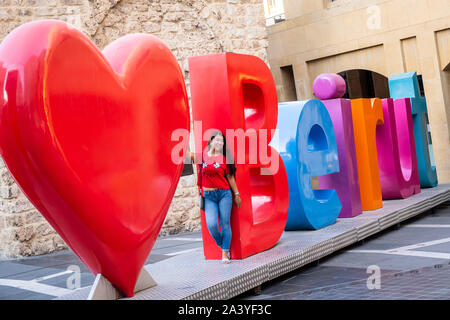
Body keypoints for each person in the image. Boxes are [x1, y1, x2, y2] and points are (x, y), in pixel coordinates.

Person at [187, 131, 241, 263]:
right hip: (209, 196)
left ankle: (225, 253)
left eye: (222, 141)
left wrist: (237, 194)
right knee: (211, 225)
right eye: (217, 140)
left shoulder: (224, 159)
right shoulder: (202, 157)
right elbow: (185, 156)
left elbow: (230, 177)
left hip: (224, 195)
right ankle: (222, 244)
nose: (220, 143)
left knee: (225, 224)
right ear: (211, 141)